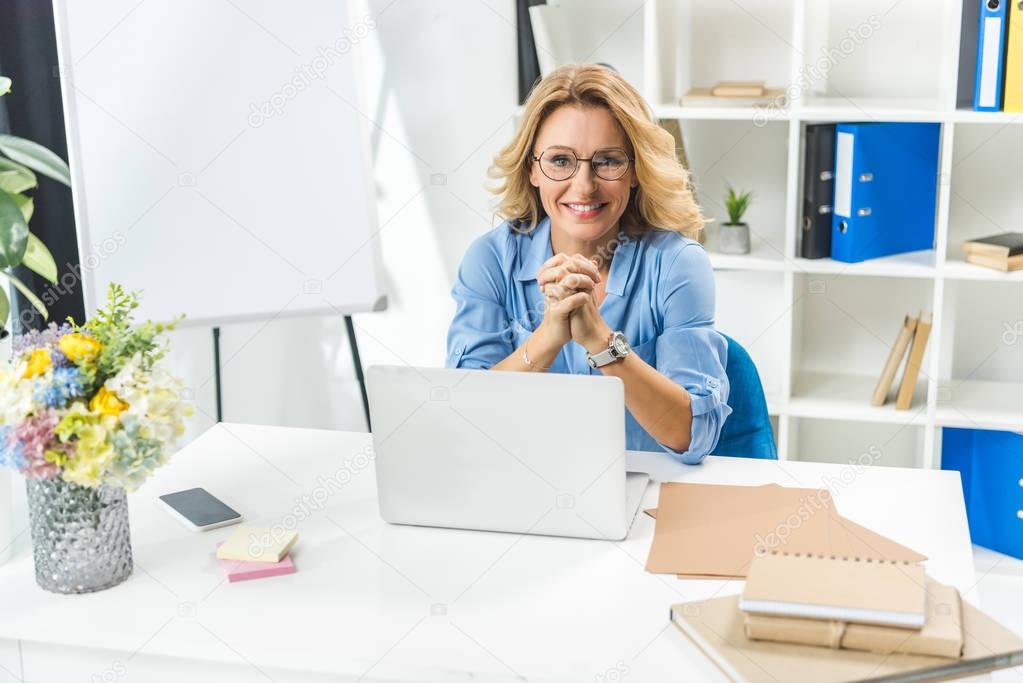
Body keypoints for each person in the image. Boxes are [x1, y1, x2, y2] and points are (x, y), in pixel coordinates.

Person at [445, 64, 731, 464]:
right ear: (532, 169)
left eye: (608, 161)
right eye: (560, 161)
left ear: (635, 171)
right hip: (520, 487)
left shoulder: (678, 265)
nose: (584, 186)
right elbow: (464, 421)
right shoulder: (490, 261)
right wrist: (547, 337)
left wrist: (602, 343)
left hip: (644, 500)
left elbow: (694, 437)